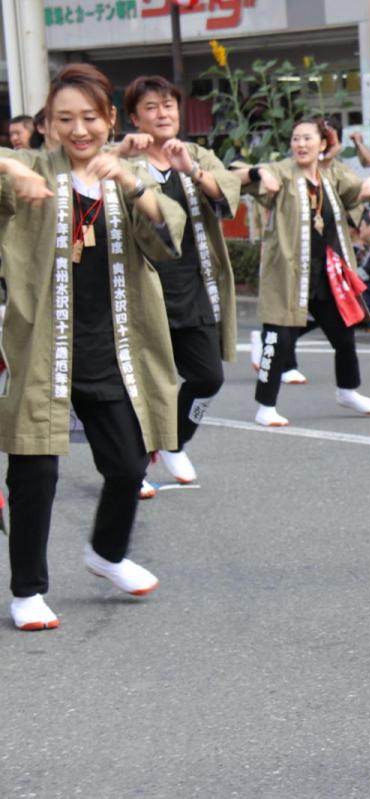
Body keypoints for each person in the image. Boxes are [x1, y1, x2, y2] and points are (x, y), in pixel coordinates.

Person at [0, 63, 186, 631]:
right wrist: (10, 167)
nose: (78, 130)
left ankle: (106, 554)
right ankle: (28, 590)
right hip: (43, 346)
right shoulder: (32, 166)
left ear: (110, 119)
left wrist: (135, 187)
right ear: (48, 126)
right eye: (64, 120)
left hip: (112, 346)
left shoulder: (127, 174)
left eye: (89, 117)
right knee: (35, 474)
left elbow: (167, 238)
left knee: (130, 463)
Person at [121, 74, 241, 487]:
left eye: (168, 105)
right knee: (143, 388)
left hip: (193, 288)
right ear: (135, 117)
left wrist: (190, 169)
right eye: (151, 107)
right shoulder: (124, 159)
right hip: (143, 290)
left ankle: (175, 442)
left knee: (208, 377)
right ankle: (132, 470)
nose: (162, 113)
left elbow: (226, 198)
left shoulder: (196, 154)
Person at [242, 118, 370, 427]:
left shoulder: (330, 175)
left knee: (344, 336)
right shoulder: (281, 171)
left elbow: (359, 189)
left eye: (308, 139)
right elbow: (236, 174)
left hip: (327, 274)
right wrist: (258, 172)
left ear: (322, 144)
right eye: (296, 139)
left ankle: (348, 390)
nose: (301, 145)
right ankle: (265, 406)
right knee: (277, 341)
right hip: (289, 275)